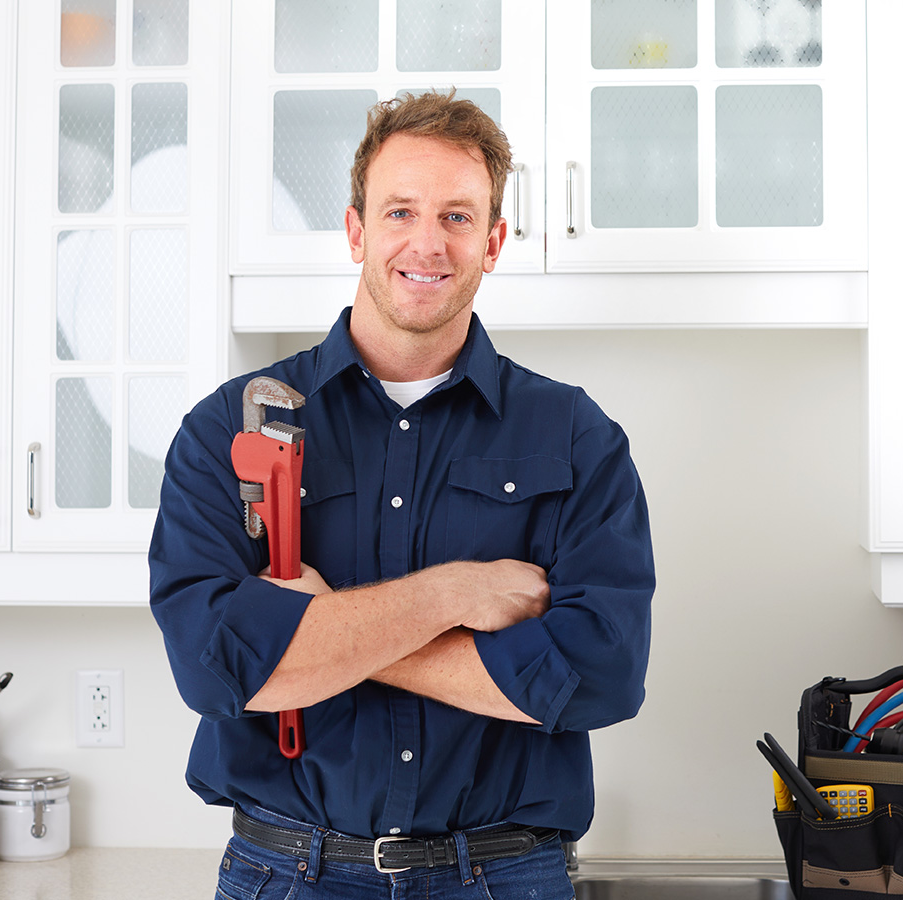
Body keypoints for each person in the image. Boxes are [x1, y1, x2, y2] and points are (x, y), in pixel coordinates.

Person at [149, 91, 655, 900]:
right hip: (287, 875)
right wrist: (456, 593)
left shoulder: (575, 436)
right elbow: (220, 669)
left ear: (493, 242)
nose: (428, 243)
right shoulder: (230, 427)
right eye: (399, 211)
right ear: (356, 229)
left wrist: (324, 637)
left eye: (458, 217)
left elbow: (599, 674)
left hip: (504, 876)